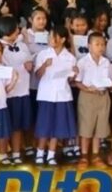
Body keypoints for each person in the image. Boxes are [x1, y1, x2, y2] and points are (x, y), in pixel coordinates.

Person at [33, 25, 78, 166]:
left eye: (55, 37)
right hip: (46, 94)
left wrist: (74, 74)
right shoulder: (43, 54)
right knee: (44, 125)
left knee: (58, 126)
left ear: (63, 39)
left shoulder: (70, 57)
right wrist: (44, 66)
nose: (51, 39)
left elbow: (70, 80)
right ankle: (40, 153)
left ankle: (51, 154)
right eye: (50, 37)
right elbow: (37, 75)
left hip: (63, 95)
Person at [0, 17, 32, 165]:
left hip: (23, 90)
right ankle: (3, 153)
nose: (18, 30)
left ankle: (16, 153)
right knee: (5, 126)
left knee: (18, 125)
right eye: (16, 28)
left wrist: (28, 66)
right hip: (7, 92)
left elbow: (29, 63)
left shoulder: (22, 45)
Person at [75, 32, 111, 167]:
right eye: (97, 44)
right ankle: (84, 156)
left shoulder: (106, 62)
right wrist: (87, 89)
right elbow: (77, 82)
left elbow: (110, 79)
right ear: (89, 46)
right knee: (86, 127)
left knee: (99, 128)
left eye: (103, 44)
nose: (100, 47)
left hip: (103, 96)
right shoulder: (83, 62)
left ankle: (96, 156)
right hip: (88, 97)